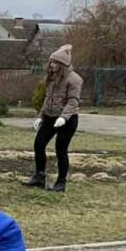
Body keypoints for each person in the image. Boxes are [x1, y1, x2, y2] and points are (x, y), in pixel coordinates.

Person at [24, 45, 80, 193]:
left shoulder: (74, 79)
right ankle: (39, 177)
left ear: (62, 64)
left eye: (55, 62)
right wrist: (40, 116)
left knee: (61, 150)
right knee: (39, 144)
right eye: (51, 62)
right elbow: (47, 99)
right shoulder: (51, 77)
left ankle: (61, 182)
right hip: (49, 117)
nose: (51, 65)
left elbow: (73, 101)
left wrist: (64, 117)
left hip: (67, 120)